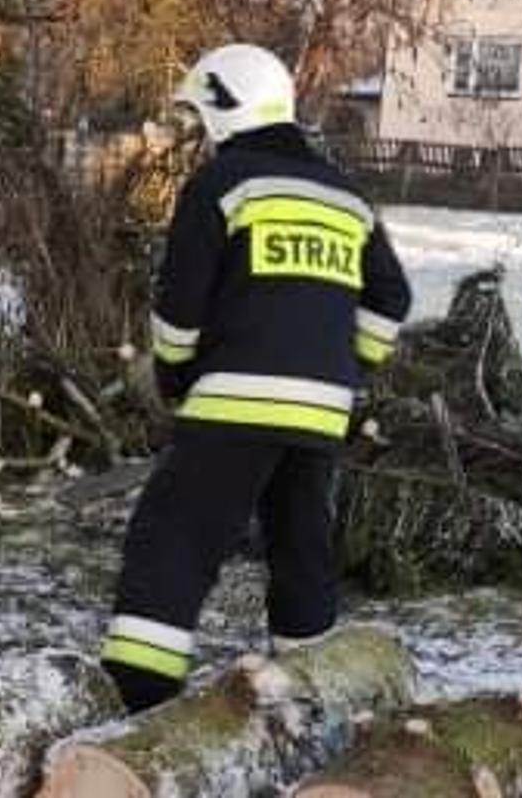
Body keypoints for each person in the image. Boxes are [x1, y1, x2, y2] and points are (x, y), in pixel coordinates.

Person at [98, 44, 412, 712]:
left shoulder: (223, 184)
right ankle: (309, 701)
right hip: (321, 414)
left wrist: (176, 379)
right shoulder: (347, 197)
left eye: (201, 113)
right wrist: (348, 367)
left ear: (224, 107)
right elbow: (392, 299)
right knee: (302, 550)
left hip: (233, 405)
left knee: (174, 538)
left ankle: (137, 699)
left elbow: (180, 309)